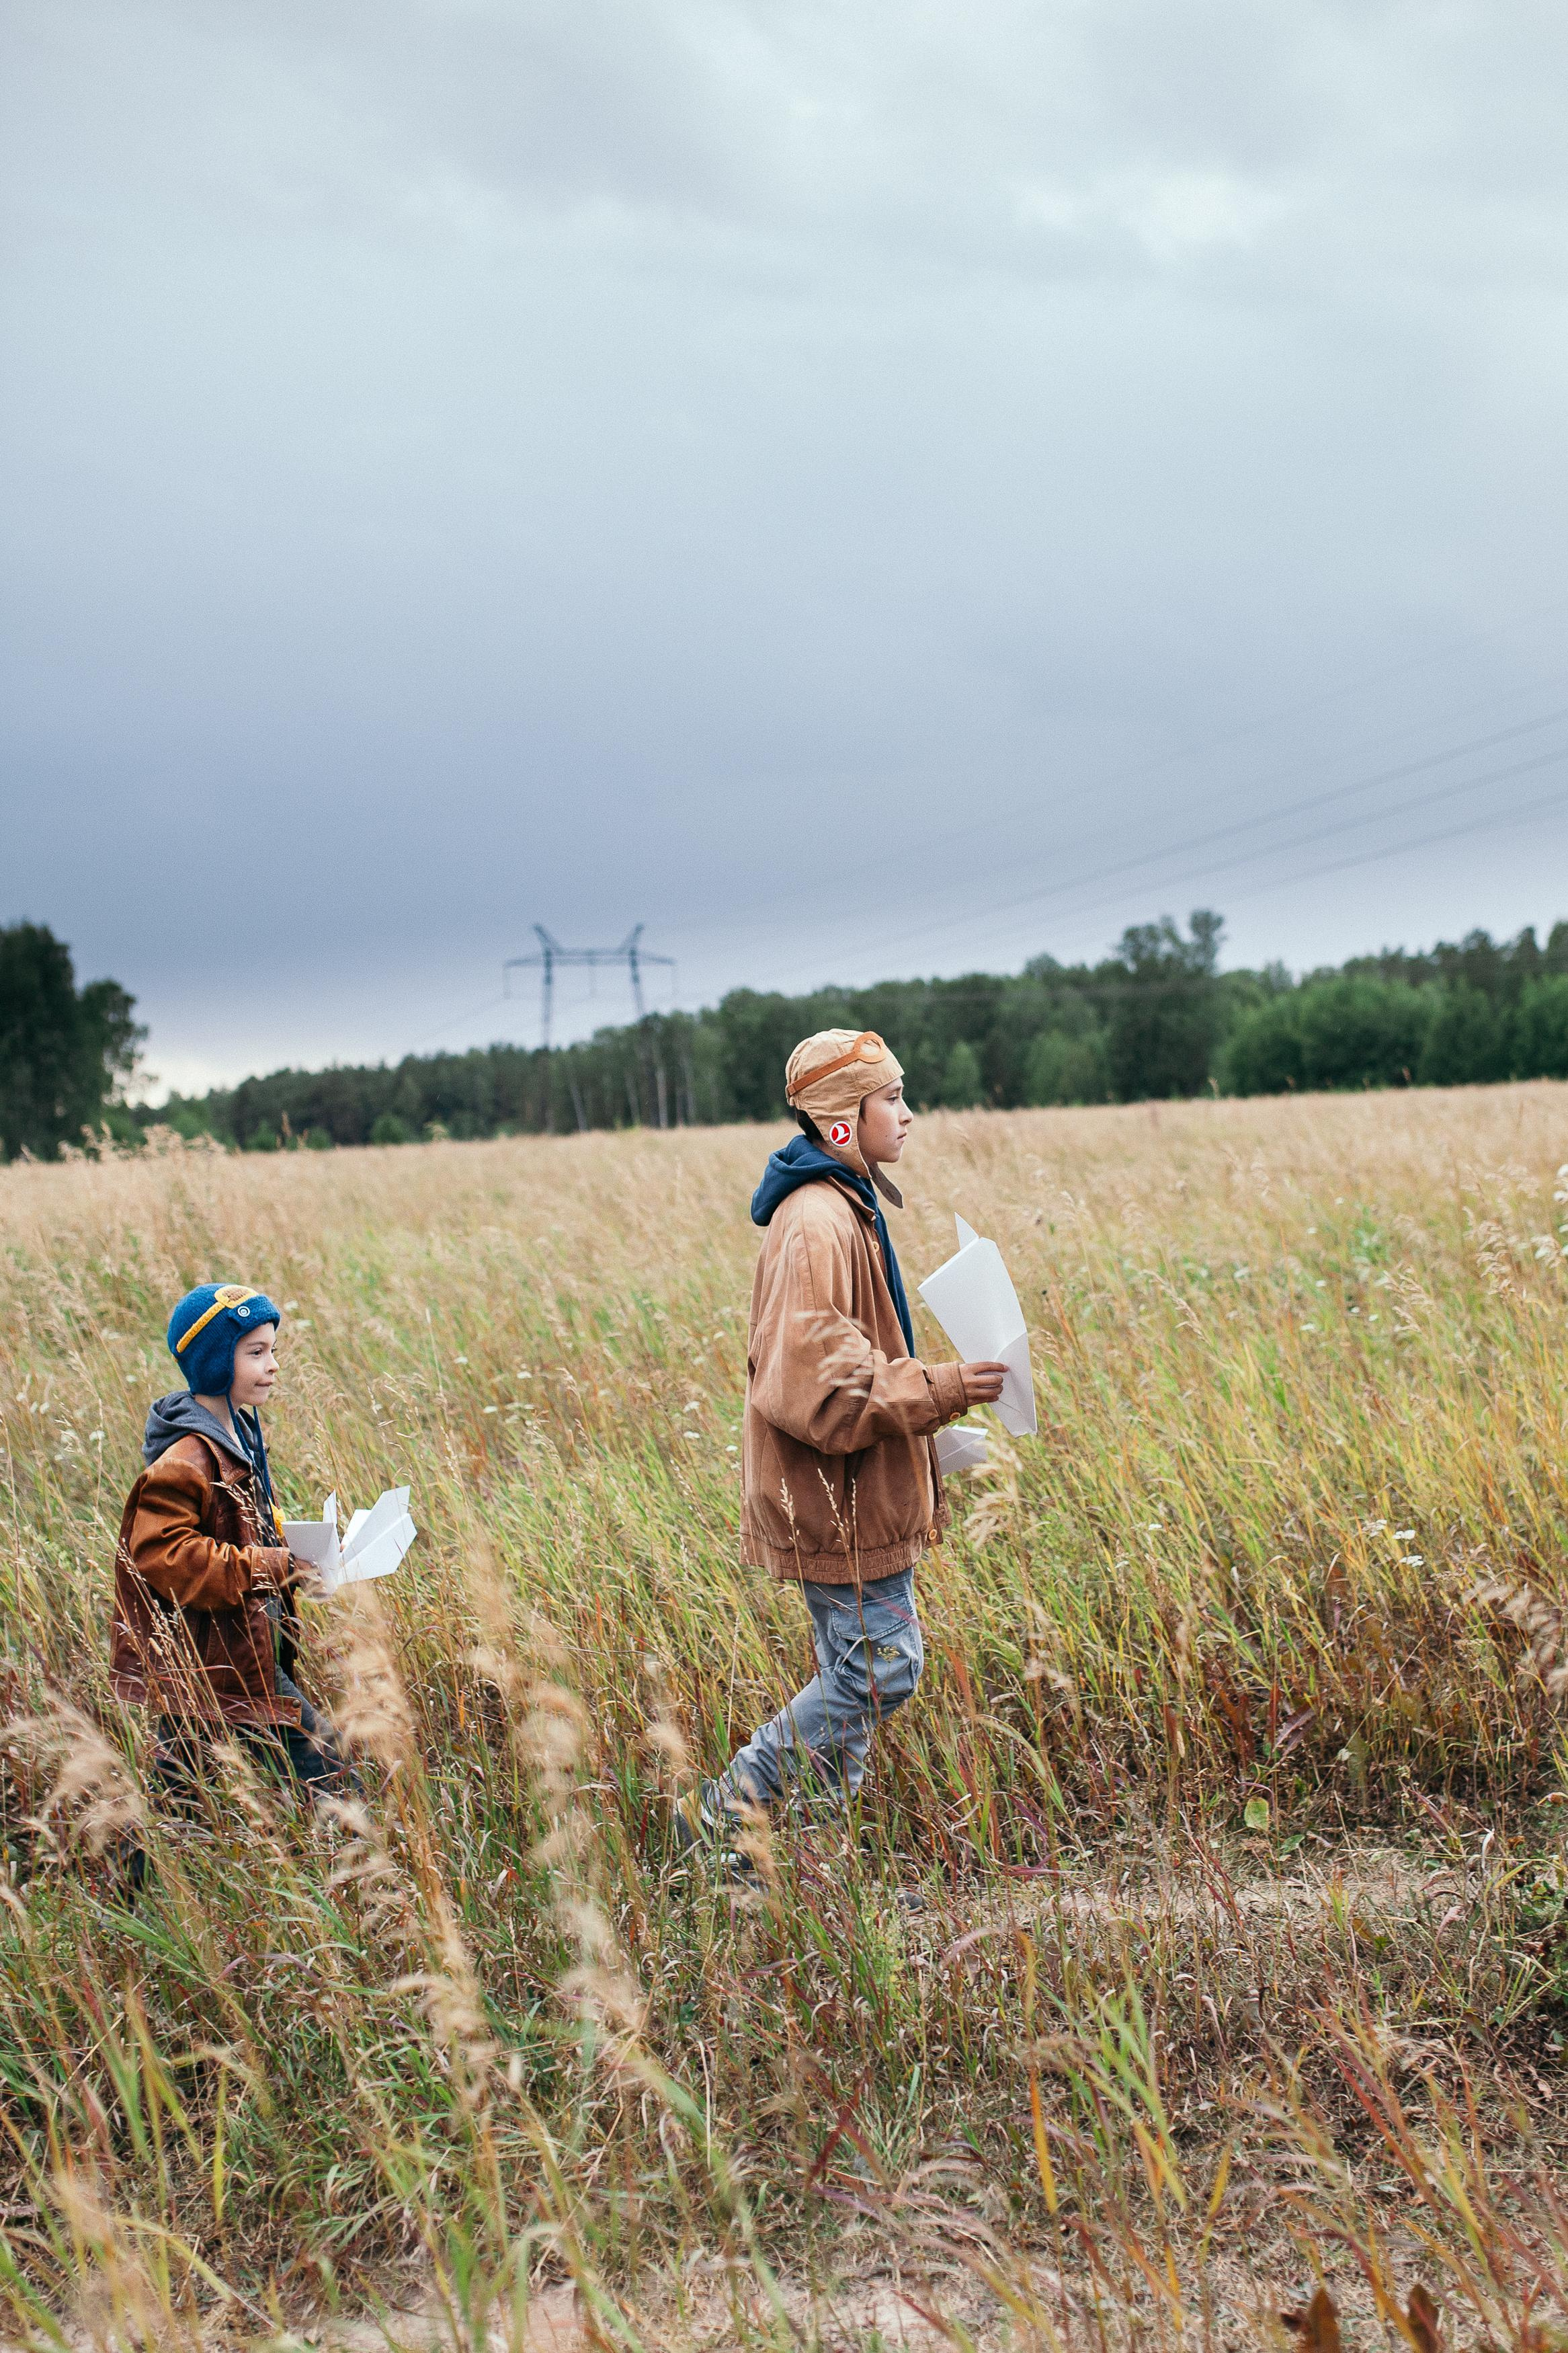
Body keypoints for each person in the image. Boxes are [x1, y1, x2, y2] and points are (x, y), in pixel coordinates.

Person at [676, 1029, 1006, 1866]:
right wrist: (940, 1389)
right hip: (835, 1499)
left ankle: (825, 1863)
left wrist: (933, 1438)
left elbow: (851, 1364)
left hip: (853, 1489)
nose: (908, 1113)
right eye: (890, 1097)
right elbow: (815, 1382)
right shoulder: (816, 1221)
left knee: (851, 1682)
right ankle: (722, 1807)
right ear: (839, 1124)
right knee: (877, 1674)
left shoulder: (842, 1203)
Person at [111, 1283, 354, 1852]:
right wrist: (274, 1566)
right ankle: (366, 1887)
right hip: (216, 1656)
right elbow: (164, 1555)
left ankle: (135, 1888)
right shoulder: (187, 1459)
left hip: (225, 1649)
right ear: (217, 1361)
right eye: (256, 1353)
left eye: (273, 1351)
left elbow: (236, 1532)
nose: (272, 1366)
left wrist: (301, 1563)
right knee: (332, 1773)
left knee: (179, 1798)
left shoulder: (239, 1433)